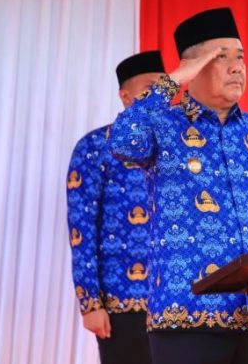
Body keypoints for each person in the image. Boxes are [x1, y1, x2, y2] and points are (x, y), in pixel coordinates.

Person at [107, 8, 248, 364]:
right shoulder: (164, 124)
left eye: (240, 57)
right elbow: (122, 141)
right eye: (222, 57)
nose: (237, 67)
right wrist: (174, 80)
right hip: (185, 319)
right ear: (192, 67)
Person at [66, 51, 165, 364]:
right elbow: (81, 227)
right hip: (122, 301)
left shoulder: (181, 146)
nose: (160, 96)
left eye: (166, 88)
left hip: (178, 301)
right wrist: (90, 303)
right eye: (151, 87)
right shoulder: (95, 146)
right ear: (125, 96)